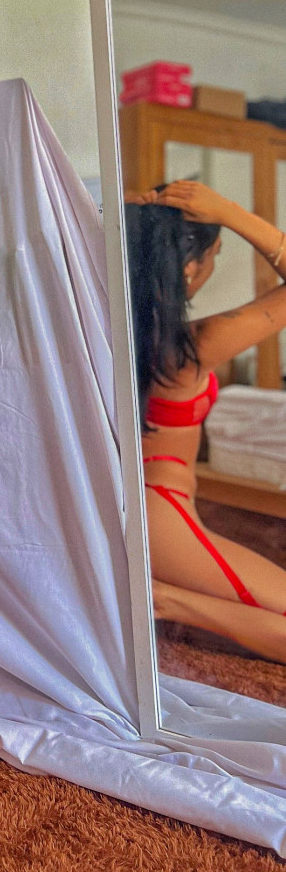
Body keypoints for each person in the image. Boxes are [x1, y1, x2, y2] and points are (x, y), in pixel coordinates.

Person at [124, 179, 286, 663]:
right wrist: (231, 213)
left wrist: (127, 218)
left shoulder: (108, 322)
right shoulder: (191, 347)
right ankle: (164, 600)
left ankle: (164, 595)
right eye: (214, 255)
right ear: (190, 267)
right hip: (160, 516)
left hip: (132, 506)